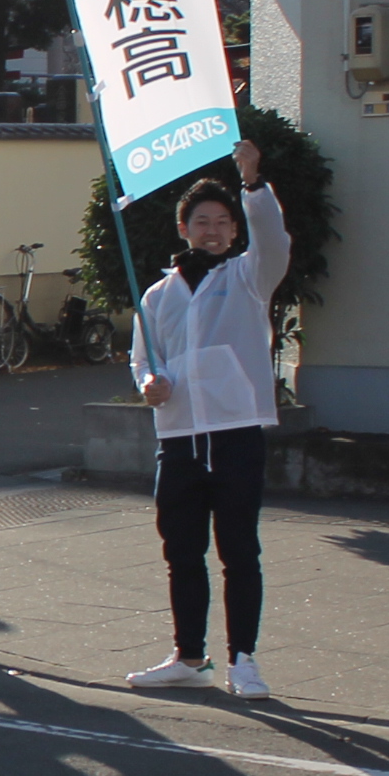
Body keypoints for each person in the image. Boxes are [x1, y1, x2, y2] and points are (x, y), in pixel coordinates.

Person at [125, 138, 290, 699]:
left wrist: (252, 183)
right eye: (201, 221)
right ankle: (189, 656)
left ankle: (243, 659)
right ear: (183, 228)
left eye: (222, 221)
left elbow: (273, 241)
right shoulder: (157, 295)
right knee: (181, 550)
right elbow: (142, 357)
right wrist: (149, 383)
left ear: (235, 230)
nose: (212, 230)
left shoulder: (247, 276)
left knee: (239, 550)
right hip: (177, 438)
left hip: (236, 432)